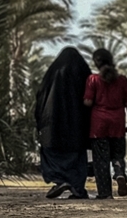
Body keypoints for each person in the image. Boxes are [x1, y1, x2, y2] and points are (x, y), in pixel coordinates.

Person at [35, 47, 91, 199]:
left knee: (52, 152)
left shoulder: (51, 75)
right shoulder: (83, 73)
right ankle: (77, 187)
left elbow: (40, 98)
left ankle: (60, 180)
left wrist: (40, 122)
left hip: (53, 125)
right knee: (77, 155)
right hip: (77, 126)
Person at [83, 48, 127, 199]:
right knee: (118, 154)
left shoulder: (93, 79)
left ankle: (105, 193)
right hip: (118, 123)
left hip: (99, 124)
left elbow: (88, 102)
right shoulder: (122, 80)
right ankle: (119, 174)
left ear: (96, 63)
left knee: (101, 160)